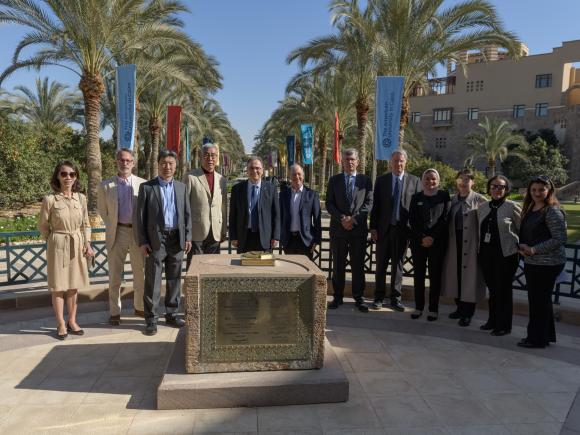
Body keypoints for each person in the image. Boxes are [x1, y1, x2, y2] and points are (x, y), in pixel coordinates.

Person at [135, 150, 192, 336]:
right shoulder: (147, 187)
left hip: (176, 239)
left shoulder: (182, 187)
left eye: (171, 163)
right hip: (155, 241)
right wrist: (142, 242)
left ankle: (172, 313)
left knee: (175, 278)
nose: (167, 167)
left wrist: (188, 237)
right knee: (153, 281)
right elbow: (140, 218)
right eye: (164, 163)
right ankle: (151, 319)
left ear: (176, 166)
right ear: (158, 165)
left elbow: (187, 215)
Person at [38, 161, 94, 339]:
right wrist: (53, 241)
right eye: (63, 174)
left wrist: (88, 244)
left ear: (76, 176)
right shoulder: (50, 200)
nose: (67, 177)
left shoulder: (81, 198)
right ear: (57, 176)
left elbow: (86, 224)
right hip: (58, 245)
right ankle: (60, 323)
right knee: (58, 286)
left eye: (71, 174)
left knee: (73, 286)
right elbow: (43, 226)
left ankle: (72, 320)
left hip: (76, 244)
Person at [97, 148, 146, 326]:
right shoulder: (105, 186)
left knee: (139, 274)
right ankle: (114, 312)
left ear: (133, 163)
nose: (124, 163)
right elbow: (103, 212)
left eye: (128, 160)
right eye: (121, 160)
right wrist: (113, 225)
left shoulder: (143, 184)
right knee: (115, 276)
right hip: (117, 233)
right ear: (116, 162)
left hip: (137, 234)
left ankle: (139, 307)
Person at [517, 175, 567, 348]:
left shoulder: (552, 211)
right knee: (541, 301)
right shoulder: (531, 208)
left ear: (549, 191)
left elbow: (559, 238)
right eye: (534, 190)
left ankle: (536, 339)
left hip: (547, 263)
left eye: (541, 189)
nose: (537, 193)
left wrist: (534, 249)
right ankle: (545, 336)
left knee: (538, 301)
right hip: (534, 262)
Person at [370, 149, 421, 311]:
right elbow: (375, 207)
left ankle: (395, 298)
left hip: (403, 232)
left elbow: (417, 210)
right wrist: (373, 228)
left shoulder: (415, 181)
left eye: (401, 161)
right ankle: (378, 297)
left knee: (398, 267)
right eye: (395, 161)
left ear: (405, 162)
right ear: (390, 163)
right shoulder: (381, 180)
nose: (398, 164)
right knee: (381, 265)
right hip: (383, 230)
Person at [326, 148, 373, 313]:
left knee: (358, 265)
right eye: (347, 159)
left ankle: (359, 297)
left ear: (358, 161)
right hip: (338, 231)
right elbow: (329, 203)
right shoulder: (334, 180)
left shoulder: (365, 181)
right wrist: (342, 219)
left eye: (352, 159)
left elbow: (368, 203)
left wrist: (353, 219)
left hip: (357, 231)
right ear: (343, 162)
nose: (350, 162)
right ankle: (337, 296)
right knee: (338, 265)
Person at [441, 169, 487, 327]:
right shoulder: (452, 200)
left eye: (467, 179)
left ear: (472, 182)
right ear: (456, 182)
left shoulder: (480, 200)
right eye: (460, 179)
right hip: (454, 244)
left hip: (472, 246)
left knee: (469, 279)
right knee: (456, 277)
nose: (463, 182)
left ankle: (468, 313)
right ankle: (459, 308)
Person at [477, 175, 521, 336]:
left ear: (506, 190)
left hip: (506, 255)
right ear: (489, 188)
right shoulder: (483, 207)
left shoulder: (512, 206)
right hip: (486, 255)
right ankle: (492, 321)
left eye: (501, 187)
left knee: (503, 290)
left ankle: (504, 325)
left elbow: (522, 228)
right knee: (493, 290)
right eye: (494, 186)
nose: (497, 189)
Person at [408, 169, 450, 321]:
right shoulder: (416, 198)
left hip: (437, 243)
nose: (430, 181)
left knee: (435, 276)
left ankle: (433, 309)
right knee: (418, 276)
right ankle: (419, 307)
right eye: (427, 179)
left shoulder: (444, 196)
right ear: (422, 180)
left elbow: (445, 219)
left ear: (438, 181)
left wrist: (432, 236)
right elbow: (412, 220)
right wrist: (423, 237)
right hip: (419, 242)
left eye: (433, 179)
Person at [182, 143, 227, 266]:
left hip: (215, 233)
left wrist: (223, 230)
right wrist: (187, 233)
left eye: (213, 155)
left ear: (217, 158)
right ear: (201, 156)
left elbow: (223, 207)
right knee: (195, 269)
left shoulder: (221, 180)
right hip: (197, 233)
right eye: (207, 155)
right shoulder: (190, 177)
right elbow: (184, 207)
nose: (210, 158)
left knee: (213, 269)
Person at [229, 156, 280, 253]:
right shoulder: (237, 189)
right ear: (247, 170)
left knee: (264, 267)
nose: (254, 171)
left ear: (262, 170)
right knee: (243, 267)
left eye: (258, 168)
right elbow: (233, 215)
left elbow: (276, 214)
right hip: (244, 238)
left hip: (265, 238)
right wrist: (233, 237)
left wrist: (276, 236)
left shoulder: (271, 188)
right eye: (251, 168)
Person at [279, 164, 322, 259]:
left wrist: (317, 240)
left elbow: (317, 219)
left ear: (303, 176)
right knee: (290, 270)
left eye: (299, 174)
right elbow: (280, 217)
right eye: (294, 174)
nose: (296, 177)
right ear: (290, 176)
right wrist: (280, 237)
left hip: (306, 241)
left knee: (306, 271)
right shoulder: (283, 195)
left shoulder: (312, 195)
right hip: (288, 240)